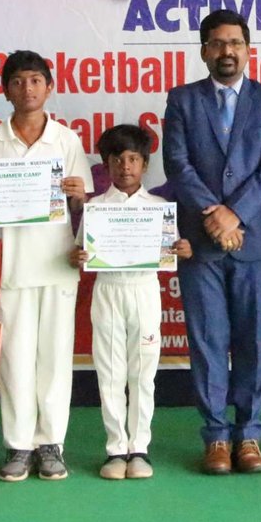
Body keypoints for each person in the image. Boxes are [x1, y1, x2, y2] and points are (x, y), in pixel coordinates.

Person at [162, 10, 261, 475]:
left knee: (253, 340)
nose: (227, 51)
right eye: (217, 43)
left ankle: (249, 434)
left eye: (235, 43)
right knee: (208, 339)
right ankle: (216, 436)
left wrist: (234, 213)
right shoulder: (182, 99)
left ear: (249, 50)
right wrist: (214, 215)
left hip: (256, 238)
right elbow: (177, 163)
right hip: (200, 240)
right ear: (204, 51)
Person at [0, 51, 90, 482]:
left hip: (57, 262)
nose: (27, 88)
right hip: (12, 264)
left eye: (35, 80)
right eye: (17, 81)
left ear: (49, 87)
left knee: (54, 356)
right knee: (15, 358)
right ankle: (18, 445)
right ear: (5, 90)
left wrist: (77, 194)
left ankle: (51, 444)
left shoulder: (66, 139)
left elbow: (81, 204)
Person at [71, 124, 191, 480]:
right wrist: (77, 257)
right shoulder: (96, 208)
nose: (125, 167)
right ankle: (115, 449)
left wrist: (183, 249)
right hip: (108, 291)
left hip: (144, 291)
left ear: (145, 164)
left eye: (133, 159)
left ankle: (139, 448)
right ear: (106, 164)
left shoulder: (159, 208)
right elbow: (78, 251)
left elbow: (175, 249)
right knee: (110, 372)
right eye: (117, 159)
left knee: (143, 373)